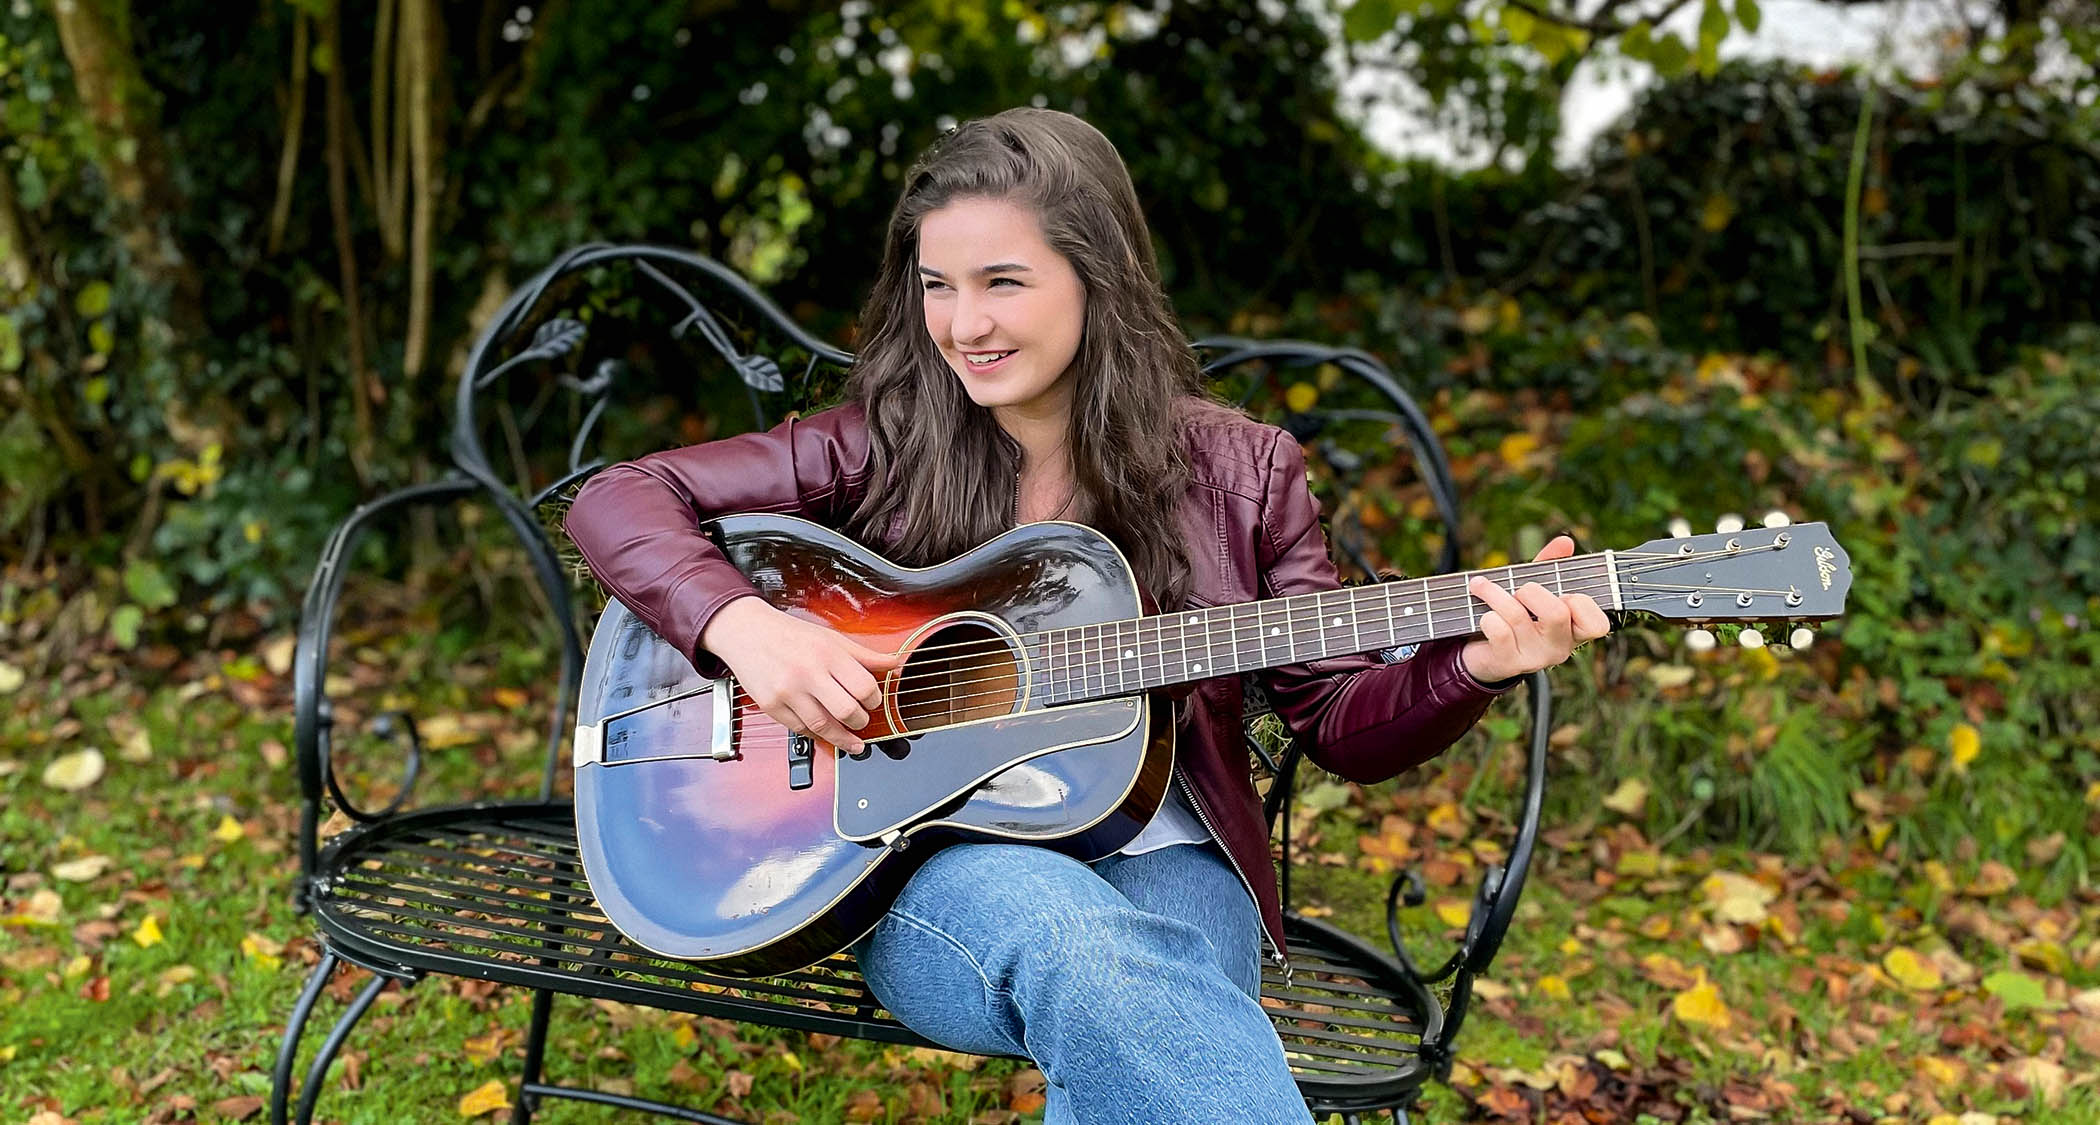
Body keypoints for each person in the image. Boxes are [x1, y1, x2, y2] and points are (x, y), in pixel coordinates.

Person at [564, 107, 1611, 1125]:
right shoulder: (884, 444)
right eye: (939, 286)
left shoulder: (1241, 474)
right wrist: (747, 629)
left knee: (1140, 1006)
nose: (965, 325)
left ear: (1096, 280)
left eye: (1003, 283)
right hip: (928, 864)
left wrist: (1471, 666)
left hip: (1170, 855)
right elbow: (618, 498)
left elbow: (1335, 717)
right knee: (1096, 961)